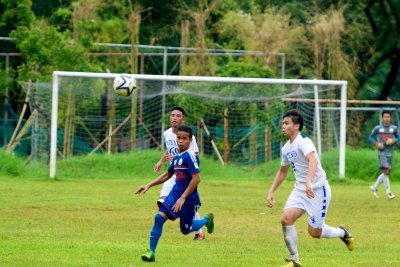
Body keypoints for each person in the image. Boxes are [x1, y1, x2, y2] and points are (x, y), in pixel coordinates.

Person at [266, 110, 355, 267]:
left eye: (286, 123)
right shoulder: (286, 148)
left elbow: (312, 159)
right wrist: (272, 191)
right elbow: (282, 171)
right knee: (286, 219)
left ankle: (343, 233)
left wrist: (309, 181)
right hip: (300, 190)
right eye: (283, 123)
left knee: (315, 232)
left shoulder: (304, 141)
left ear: (296, 126)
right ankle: (295, 260)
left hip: (317, 190)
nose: (283, 126)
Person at [135, 125, 214, 262]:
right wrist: (149, 185)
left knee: (185, 230)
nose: (181, 141)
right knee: (158, 218)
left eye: (184, 138)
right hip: (174, 195)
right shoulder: (177, 157)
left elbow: (197, 179)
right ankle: (151, 253)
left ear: (190, 140)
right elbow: (167, 174)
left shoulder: (190, 156)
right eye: (179, 138)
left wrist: (183, 198)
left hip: (188, 199)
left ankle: (207, 219)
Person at [154, 106, 205, 240]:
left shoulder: (189, 137)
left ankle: (195, 227)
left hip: (184, 174)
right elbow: (171, 150)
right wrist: (161, 160)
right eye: (173, 115)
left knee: (181, 201)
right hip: (173, 171)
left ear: (183, 119)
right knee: (167, 198)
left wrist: (181, 162)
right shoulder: (167, 134)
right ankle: (197, 230)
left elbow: (194, 156)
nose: (175, 118)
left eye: (178, 116)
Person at [369, 110, 399, 199]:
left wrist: (393, 140)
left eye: (388, 117)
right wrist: (376, 144)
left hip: (390, 153)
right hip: (381, 153)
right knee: (386, 170)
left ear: (390, 118)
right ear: (382, 118)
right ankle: (389, 193)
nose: (386, 118)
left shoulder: (394, 128)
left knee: (387, 172)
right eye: (385, 117)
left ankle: (374, 187)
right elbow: (370, 137)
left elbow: (398, 137)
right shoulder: (378, 128)